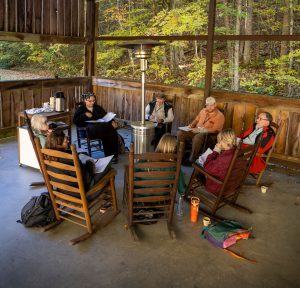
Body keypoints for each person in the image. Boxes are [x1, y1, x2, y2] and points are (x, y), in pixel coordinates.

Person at [73, 92, 119, 163]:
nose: (92, 103)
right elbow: (75, 121)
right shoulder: (81, 109)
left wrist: (112, 121)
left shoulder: (97, 108)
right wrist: (84, 115)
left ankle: (112, 156)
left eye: (93, 101)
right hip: (87, 131)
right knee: (108, 130)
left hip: (100, 130)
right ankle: (110, 155)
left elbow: (105, 116)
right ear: (85, 100)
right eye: (90, 101)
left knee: (112, 132)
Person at [177, 96, 225, 164]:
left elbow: (216, 130)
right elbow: (196, 119)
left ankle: (192, 159)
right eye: (208, 105)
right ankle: (180, 155)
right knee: (180, 133)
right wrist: (191, 125)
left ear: (215, 104)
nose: (209, 107)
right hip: (196, 130)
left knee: (197, 137)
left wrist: (202, 130)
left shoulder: (220, 116)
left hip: (208, 135)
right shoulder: (203, 110)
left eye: (211, 105)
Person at [203, 128, 237, 194]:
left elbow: (207, 167)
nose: (218, 142)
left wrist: (215, 151)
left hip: (219, 187)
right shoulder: (237, 151)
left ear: (223, 141)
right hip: (233, 185)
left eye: (219, 141)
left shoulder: (224, 159)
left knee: (198, 164)